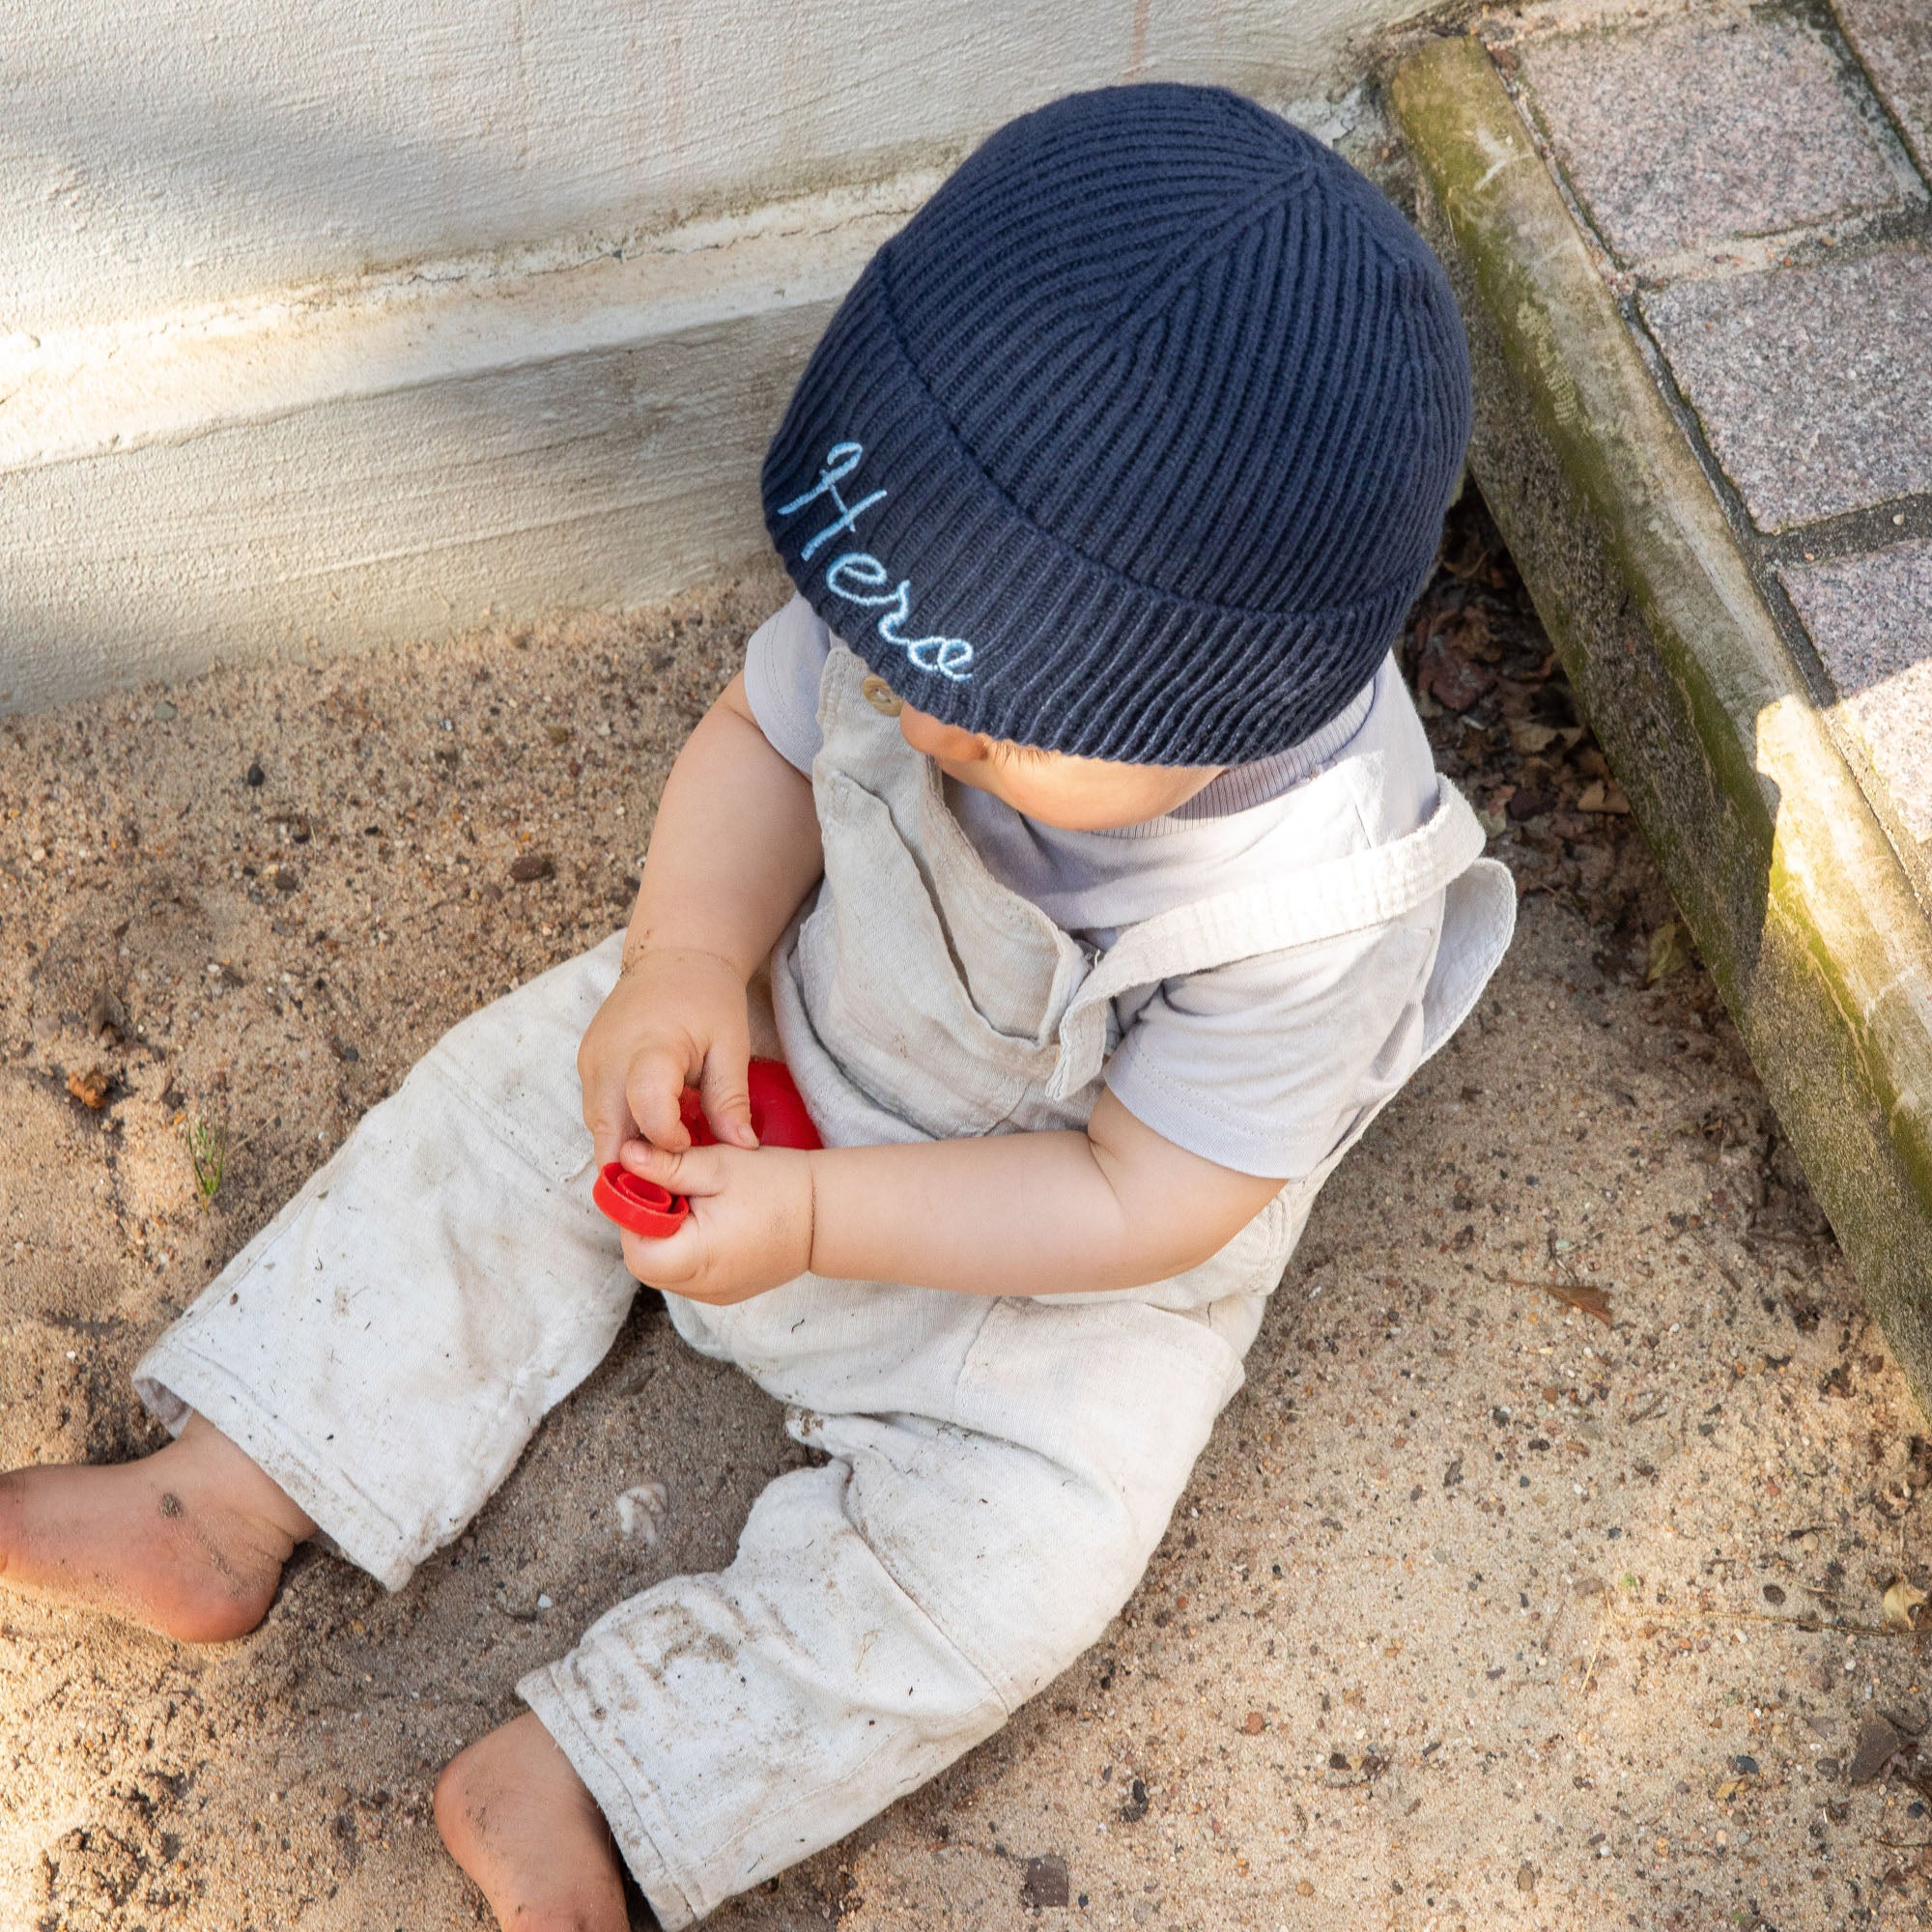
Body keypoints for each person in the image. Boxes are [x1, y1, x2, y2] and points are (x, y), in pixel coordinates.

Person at [0, 84, 1513, 1931]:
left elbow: (1149, 1200)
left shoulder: (1308, 907)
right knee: (496, 1117)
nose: (925, 711)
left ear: (1238, 696)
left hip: (1037, 1280)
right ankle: (219, 1495)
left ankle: (607, 1782)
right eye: (903, 653)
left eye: (1007, 714)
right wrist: (687, 965)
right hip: (792, 1035)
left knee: (1018, 1563)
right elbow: (761, 744)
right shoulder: (938, 609)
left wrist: (819, 1219)